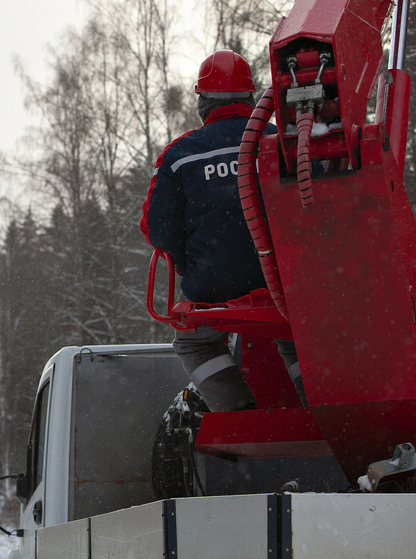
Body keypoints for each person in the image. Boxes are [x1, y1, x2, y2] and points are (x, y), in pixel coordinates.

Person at [141, 50, 306, 413]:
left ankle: (237, 412)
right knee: (297, 336)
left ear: (202, 102)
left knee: (194, 343)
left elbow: (159, 230)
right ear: (251, 97)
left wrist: (195, 268)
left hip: (213, 285)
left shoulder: (180, 155)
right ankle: (319, 406)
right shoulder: (286, 142)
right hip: (284, 282)